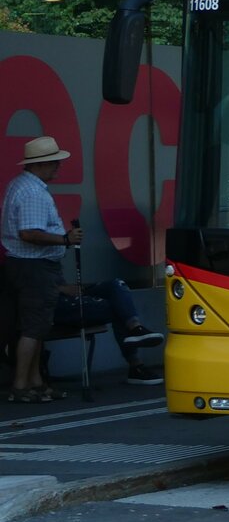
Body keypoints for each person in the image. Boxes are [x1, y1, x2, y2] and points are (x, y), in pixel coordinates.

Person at [1, 136, 162, 403]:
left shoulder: (21, 186)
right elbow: (28, 232)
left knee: (38, 326)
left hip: (32, 267)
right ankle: (21, 385)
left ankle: (35, 382)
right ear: (41, 164)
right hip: (34, 267)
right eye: (54, 163)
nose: (58, 168)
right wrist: (65, 239)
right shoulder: (31, 193)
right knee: (33, 328)